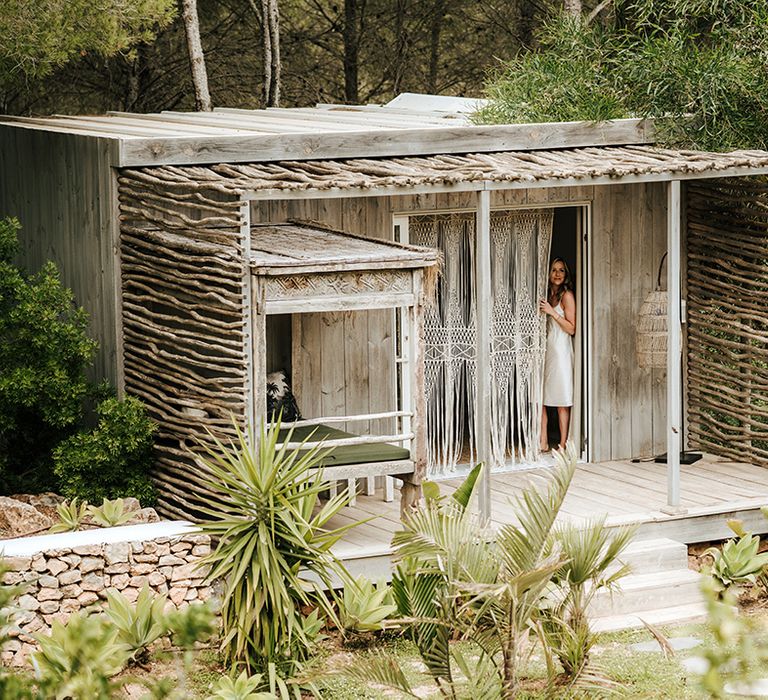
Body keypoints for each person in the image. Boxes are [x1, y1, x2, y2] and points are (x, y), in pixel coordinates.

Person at [539, 257, 576, 452]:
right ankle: (543, 441)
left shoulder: (567, 296)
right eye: (554, 270)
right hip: (545, 349)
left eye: (561, 270)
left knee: (562, 399)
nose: (557, 274)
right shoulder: (546, 295)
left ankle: (563, 443)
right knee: (541, 398)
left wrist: (552, 312)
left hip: (560, 350)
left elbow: (571, 328)